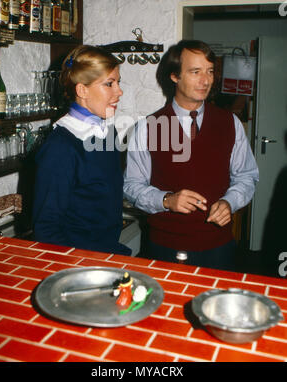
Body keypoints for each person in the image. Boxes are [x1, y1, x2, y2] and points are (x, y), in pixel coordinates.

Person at [123, 40, 259, 270]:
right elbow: (131, 185)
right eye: (195, 72)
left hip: (219, 247)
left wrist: (230, 202)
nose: (206, 80)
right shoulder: (148, 127)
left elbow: (247, 176)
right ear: (174, 76)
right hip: (165, 247)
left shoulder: (230, 123)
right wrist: (166, 200)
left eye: (210, 71)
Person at [33, 45, 131, 255]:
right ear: (82, 90)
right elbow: (46, 230)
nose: (119, 91)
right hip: (79, 262)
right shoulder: (62, 146)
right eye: (109, 84)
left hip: (106, 253)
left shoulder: (107, 131)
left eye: (118, 82)